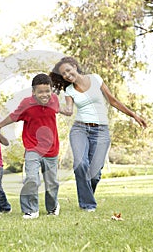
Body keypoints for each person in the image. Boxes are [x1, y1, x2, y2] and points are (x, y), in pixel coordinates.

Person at [50, 56, 147, 212]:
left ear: (75, 66)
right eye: (64, 74)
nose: (67, 75)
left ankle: (87, 196)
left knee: (95, 174)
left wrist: (133, 115)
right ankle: (88, 205)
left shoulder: (95, 79)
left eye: (68, 70)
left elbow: (113, 101)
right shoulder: (69, 90)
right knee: (80, 164)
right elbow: (68, 110)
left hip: (101, 131)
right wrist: (54, 107)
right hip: (80, 129)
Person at [0, 73, 60, 219]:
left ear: (51, 90)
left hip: (51, 149)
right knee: (32, 179)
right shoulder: (26, 104)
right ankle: (30, 209)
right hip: (32, 148)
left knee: (52, 183)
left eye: (47, 91)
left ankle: (53, 207)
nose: (44, 94)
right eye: (40, 92)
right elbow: (14, 116)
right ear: (33, 92)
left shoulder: (54, 100)